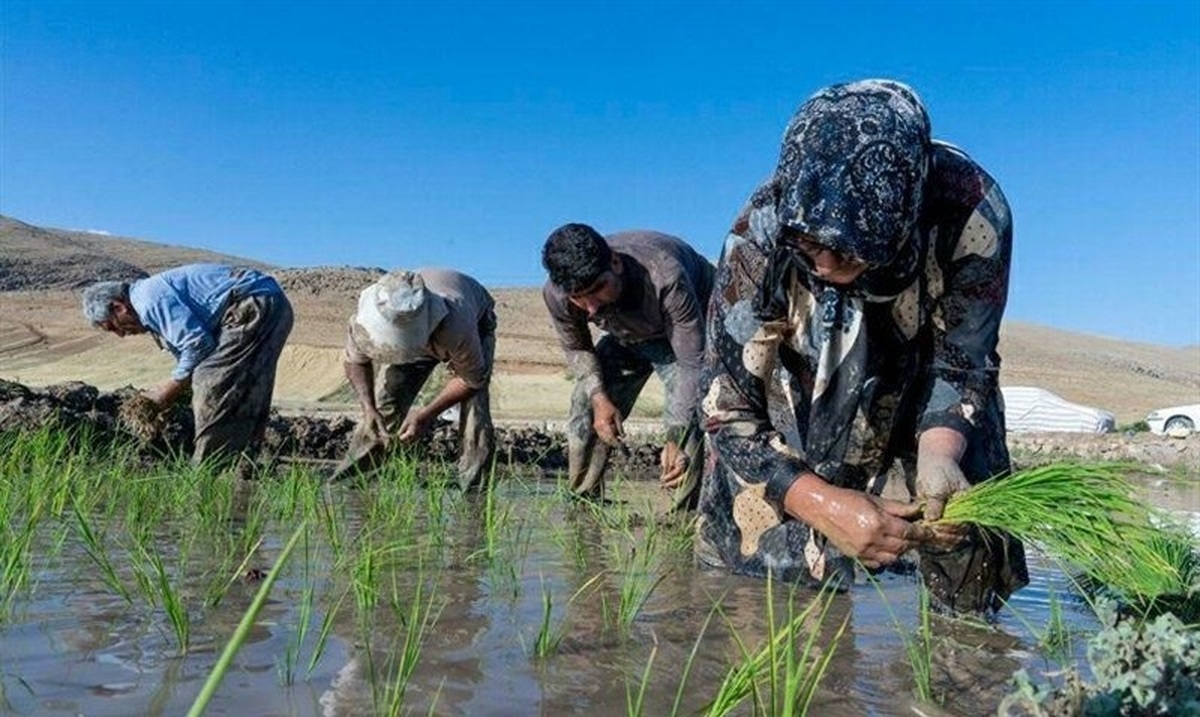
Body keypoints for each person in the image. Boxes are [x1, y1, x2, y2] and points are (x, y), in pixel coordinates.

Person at [697, 79, 1028, 613]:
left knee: (966, 542)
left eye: (849, 252)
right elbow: (726, 406)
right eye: (810, 247)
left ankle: (962, 668)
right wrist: (819, 501)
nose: (826, 267)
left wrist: (940, 453)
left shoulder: (972, 214)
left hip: (926, 375)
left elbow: (964, 361)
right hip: (806, 380)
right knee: (769, 596)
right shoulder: (759, 234)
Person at [542, 223, 714, 512]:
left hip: (688, 331)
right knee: (585, 405)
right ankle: (584, 503)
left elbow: (691, 364)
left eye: (597, 289)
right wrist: (599, 399)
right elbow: (578, 348)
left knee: (688, 418)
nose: (590, 308)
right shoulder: (558, 293)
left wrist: (676, 436)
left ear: (616, 263)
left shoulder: (665, 276)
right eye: (578, 298)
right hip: (627, 334)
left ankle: (684, 517)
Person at [81, 264, 294, 472]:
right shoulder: (151, 302)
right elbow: (187, 353)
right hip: (271, 302)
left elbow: (198, 346)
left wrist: (164, 395)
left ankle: (208, 468)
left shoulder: (149, 300)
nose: (120, 334)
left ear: (119, 307)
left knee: (210, 378)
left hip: (252, 303)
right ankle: (248, 461)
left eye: (113, 326)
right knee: (251, 385)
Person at [332, 269, 496, 491]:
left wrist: (426, 414)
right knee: (382, 407)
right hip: (423, 330)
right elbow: (356, 362)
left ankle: (474, 488)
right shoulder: (366, 316)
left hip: (475, 324)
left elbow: (470, 381)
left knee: (475, 409)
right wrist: (368, 408)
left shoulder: (457, 324)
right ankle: (350, 481)